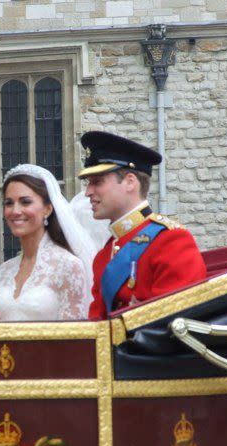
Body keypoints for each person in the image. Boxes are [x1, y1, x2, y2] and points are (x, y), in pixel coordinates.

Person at [78, 131, 206, 320]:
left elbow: (178, 322)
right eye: (89, 183)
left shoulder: (171, 241)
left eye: (97, 182)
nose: (88, 192)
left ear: (130, 182)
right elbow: (98, 326)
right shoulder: (105, 255)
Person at [0, 164, 101, 321]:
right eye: (9, 203)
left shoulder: (68, 265)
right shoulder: (4, 270)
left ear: (48, 209)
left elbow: (74, 338)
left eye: (25, 202)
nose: (15, 211)